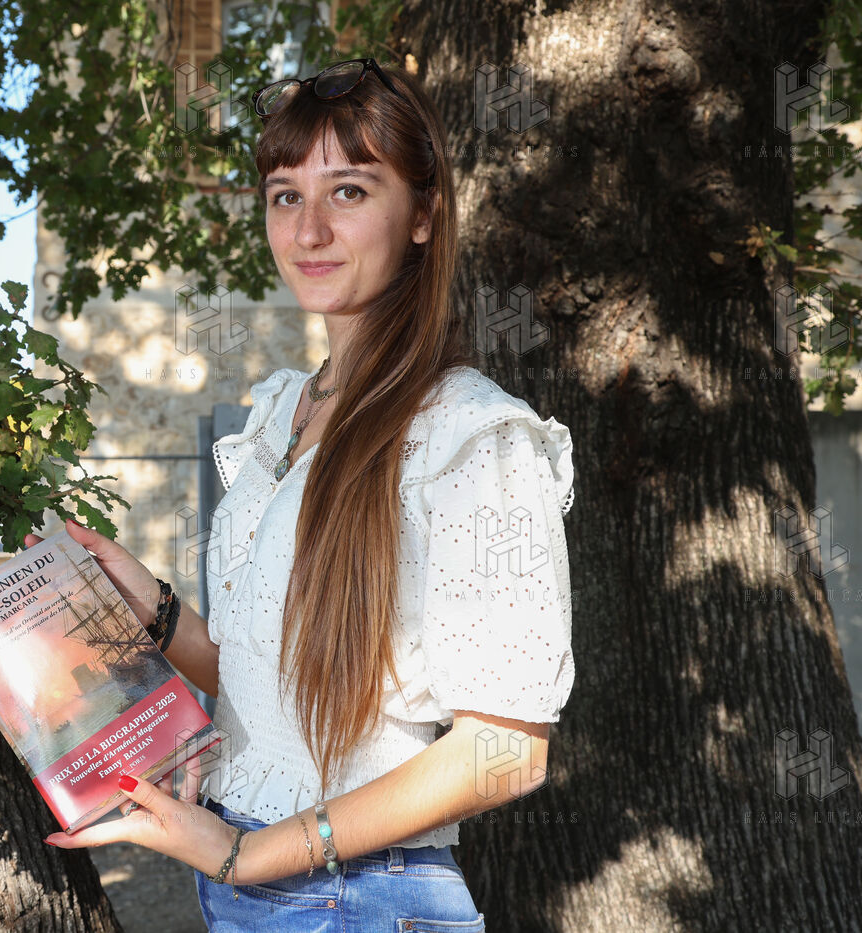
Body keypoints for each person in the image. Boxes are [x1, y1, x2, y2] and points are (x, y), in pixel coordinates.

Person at [31, 57, 575, 932]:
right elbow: (280, 684)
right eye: (286, 195)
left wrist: (250, 853)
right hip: (252, 885)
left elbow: (506, 749)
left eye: (349, 190)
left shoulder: (471, 435)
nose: (310, 229)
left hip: (360, 897)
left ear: (424, 214)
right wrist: (158, 613)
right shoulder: (282, 409)